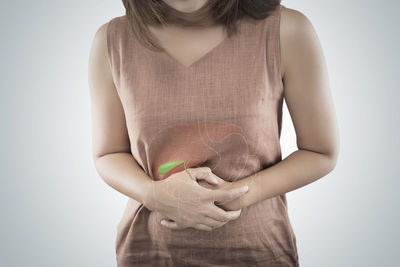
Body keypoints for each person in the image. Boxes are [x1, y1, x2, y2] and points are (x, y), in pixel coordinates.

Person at [88, 0, 339, 266]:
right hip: (149, 252)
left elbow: (320, 151)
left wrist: (234, 196)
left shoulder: (287, 30)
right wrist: (153, 194)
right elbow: (109, 153)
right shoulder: (111, 41)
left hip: (258, 252)